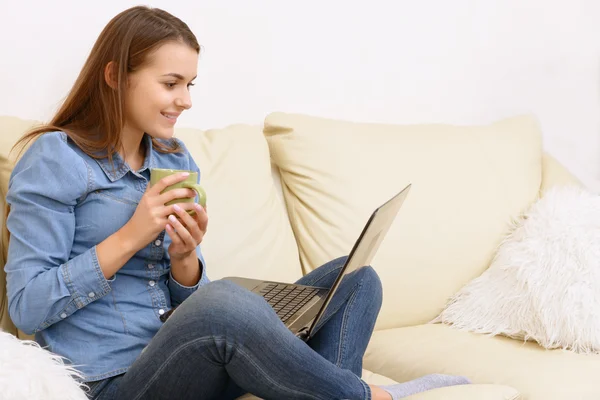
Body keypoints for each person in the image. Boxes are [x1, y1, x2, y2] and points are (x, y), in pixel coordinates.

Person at [4, 6, 471, 400]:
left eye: (190, 84)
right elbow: (26, 306)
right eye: (171, 83)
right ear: (114, 77)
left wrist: (185, 258)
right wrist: (131, 236)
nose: (185, 100)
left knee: (357, 280)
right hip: (118, 381)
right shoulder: (54, 159)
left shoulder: (172, 156)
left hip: (188, 353)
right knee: (225, 302)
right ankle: (370, 396)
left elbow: (182, 294)